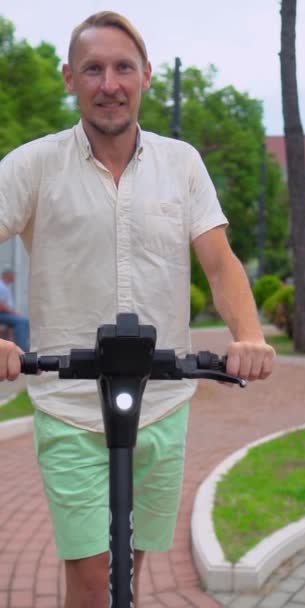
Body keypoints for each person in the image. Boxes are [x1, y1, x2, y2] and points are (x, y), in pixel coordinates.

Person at [0, 11, 275, 608]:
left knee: (128, 570)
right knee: (96, 581)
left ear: (145, 75)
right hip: (69, 407)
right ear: (69, 78)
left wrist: (249, 335)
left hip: (162, 404)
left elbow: (220, 261)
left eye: (123, 67)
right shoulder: (32, 166)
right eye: (93, 69)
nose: (109, 83)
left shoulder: (182, 163)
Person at [0, 268, 29, 351]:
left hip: (4, 314)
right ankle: (23, 350)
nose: (15, 277)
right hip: (2, 314)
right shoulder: (1, 286)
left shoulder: (4, 286)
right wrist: (14, 313)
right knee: (22, 321)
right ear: (8, 275)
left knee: (23, 320)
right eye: (14, 275)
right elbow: (1, 305)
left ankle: (21, 347)